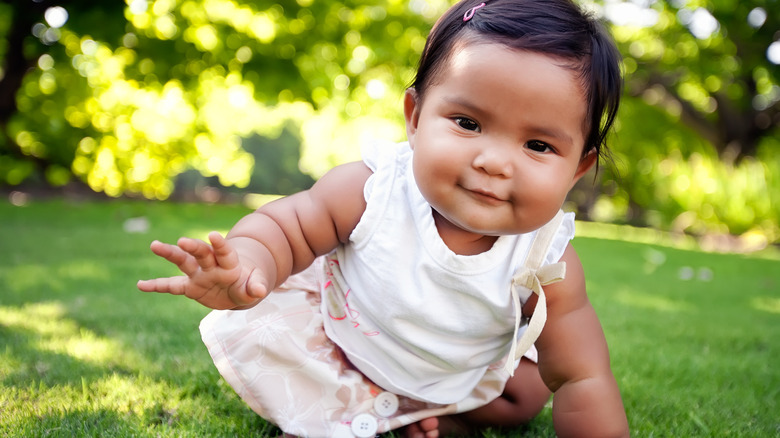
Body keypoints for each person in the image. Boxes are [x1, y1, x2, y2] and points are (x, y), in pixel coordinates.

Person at [137, 0, 629, 436]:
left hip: (454, 370)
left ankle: (426, 414)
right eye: (468, 123)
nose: (494, 162)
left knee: (526, 396)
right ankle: (340, 414)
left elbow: (581, 375)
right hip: (345, 341)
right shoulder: (372, 191)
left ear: (577, 168)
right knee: (299, 375)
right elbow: (287, 228)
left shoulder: (549, 263)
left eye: (538, 145)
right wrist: (247, 265)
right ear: (414, 117)